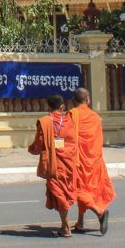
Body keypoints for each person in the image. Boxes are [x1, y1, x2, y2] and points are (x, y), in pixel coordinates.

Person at [28, 92, 78, 238]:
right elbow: (73, 141)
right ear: (62, 107)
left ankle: (66, 227)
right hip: (67, 161)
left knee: (60, 194)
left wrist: (32, 150)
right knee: (62, 192)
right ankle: (64, 225)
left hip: (53, 163)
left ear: (48, 106)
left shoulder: (45, 122)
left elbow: (39, 143)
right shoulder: (69, 121)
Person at [69, 86, 115, 235]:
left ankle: (99, 212)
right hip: (94, 160)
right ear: (88, 100)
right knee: (87, 190)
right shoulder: (95, 117)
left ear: (73, 101)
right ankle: (80, 221)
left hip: (79, 160)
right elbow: (98, 140)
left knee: (78, 190)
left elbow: (66, 137)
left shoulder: (72, 114)